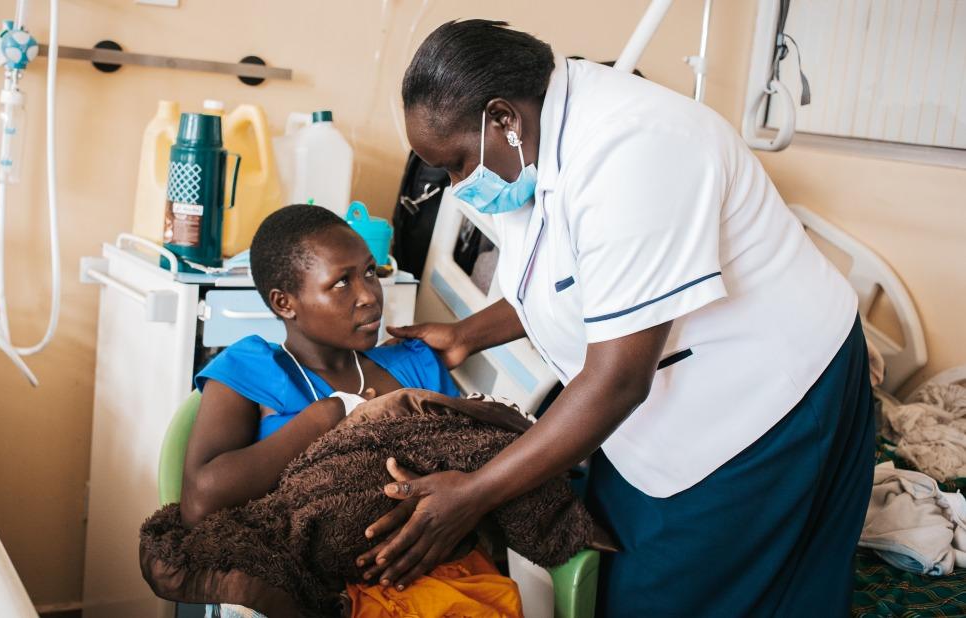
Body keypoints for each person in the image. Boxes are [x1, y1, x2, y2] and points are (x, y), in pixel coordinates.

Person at [360, 20, 875, 617]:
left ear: (503, 118)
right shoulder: (527, 151)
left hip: (769, 399)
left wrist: (473, 494)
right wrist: (464, 336)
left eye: (455, 164)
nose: (455, 187)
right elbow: (571, 286)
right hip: (649, 409)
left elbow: (617, 379)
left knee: (711, 592)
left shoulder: (635, 150)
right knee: (625, 577)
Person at [180, 204, 523, 617]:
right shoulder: (252, 369)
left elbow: (471, 453)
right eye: (341, 282)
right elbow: (199, 501)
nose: (368, 295)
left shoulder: (414, 364)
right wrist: (328, 417)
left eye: (370, 272)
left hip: (432, 574)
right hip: (303, 586)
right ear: (284, 302)